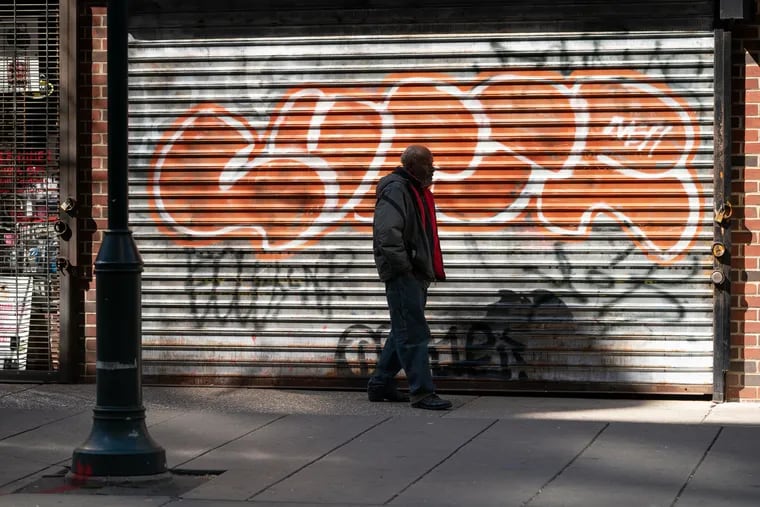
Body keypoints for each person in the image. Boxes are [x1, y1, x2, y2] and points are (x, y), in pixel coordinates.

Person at [367, 145, 452, 410]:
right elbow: (387, 233)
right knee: (412, 331)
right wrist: (404, 268)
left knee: (403, 328)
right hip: (405, 273)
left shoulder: (413, 188)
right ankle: (422, 392)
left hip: (415, 271)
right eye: (428, 163)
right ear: (413, 165)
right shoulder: (397, 189)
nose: (433, 169)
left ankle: (380, 384)